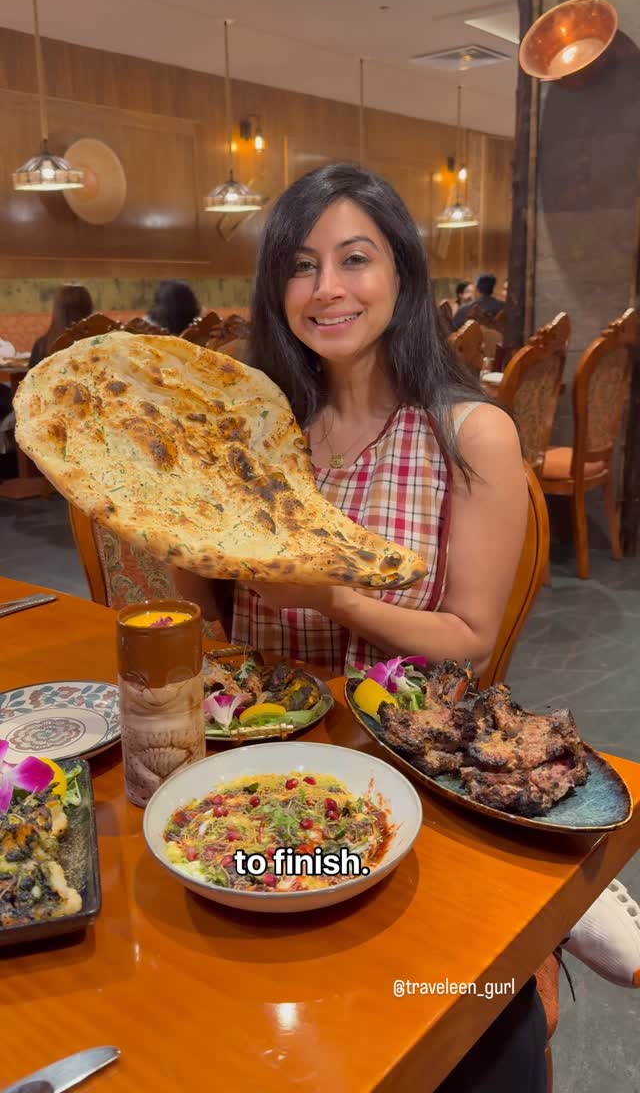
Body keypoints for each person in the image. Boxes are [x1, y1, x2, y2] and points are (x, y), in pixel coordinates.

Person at [174, 163, 547, 1091]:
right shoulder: (259, 427)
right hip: (262, 771)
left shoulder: (470, 434)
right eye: (301, 266)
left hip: (408, 769)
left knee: (449, 1041)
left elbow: (469, 635)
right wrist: (184, 526)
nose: (327, 288)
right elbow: (209, 602)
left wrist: (334, 599)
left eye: (355, 259)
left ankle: (560, 926)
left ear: (403, 273)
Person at [29, 284, 94, 369]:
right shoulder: (101, 344)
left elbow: (32, 376)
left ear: (57, 311)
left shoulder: (41, 347)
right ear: (88, 310)